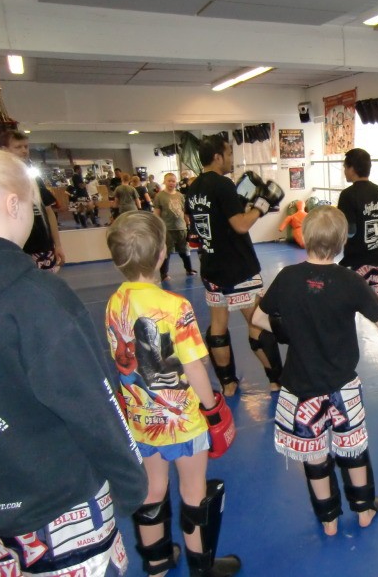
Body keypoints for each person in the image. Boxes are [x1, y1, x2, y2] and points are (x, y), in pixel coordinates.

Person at [0, 146, 147, 576]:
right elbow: (91, 403)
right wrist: (131, 482)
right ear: (13, 205)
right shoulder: (37, 298)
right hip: (57, 508)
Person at [105, 210, 241, 577]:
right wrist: (213, 408)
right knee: (194, 491)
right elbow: (194, 367)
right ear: (163, 253)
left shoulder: (115, 302)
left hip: (141, 419)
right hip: (183, 421)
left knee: (152, 490)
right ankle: (201, 566)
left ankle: (157, 563)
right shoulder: (175, 307)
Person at [252, 205, 378, 536]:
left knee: (315, 456)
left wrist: (292, 330)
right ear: (342, 242)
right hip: (341, 385)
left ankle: (328, 519)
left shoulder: (287, 277)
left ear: (304, 237)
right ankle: (363, 510)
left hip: (300, 386)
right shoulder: (349, 280)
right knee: (353, 449)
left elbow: (259, 319)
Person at [185, 135, 284, 396]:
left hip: (211, 266)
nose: (231, 159)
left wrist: (242, 203)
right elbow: (240, 225)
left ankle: (228, 384)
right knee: (258, 321)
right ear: (217, 156)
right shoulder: (222, 184)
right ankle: (276, 380)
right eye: (229, 153)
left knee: (218, 325)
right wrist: (261, 206)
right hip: (238, 267)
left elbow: (200, 228)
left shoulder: (193, 188)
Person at [337, 147, 378, 370]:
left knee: (341, 312)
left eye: (345, 166)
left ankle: (341, 363)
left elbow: (350, 232)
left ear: (352, 168)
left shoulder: (348, 195)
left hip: (355, 265)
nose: (344, 170)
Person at [0, 130, 65, 272]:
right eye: (18, 147)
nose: (24, 151)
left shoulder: (34, 179)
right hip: (16, 248)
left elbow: (49, 212)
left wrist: (57, 244)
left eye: (26, 147)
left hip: (43, 246)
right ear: (4, 150)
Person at [154, 172, 197, 281]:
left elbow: (184, 211)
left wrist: (188, 225)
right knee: (166, 252)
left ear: (176, 182)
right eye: (169, 181)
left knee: (185, 250)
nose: (171, 183)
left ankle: (189, 269)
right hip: (167, 228)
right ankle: (164, 274)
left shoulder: (180, 195)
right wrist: (157, 227)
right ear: (164, 181)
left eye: (173, 181)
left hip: (181, 228)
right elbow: (157, 213)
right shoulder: (160, 196)